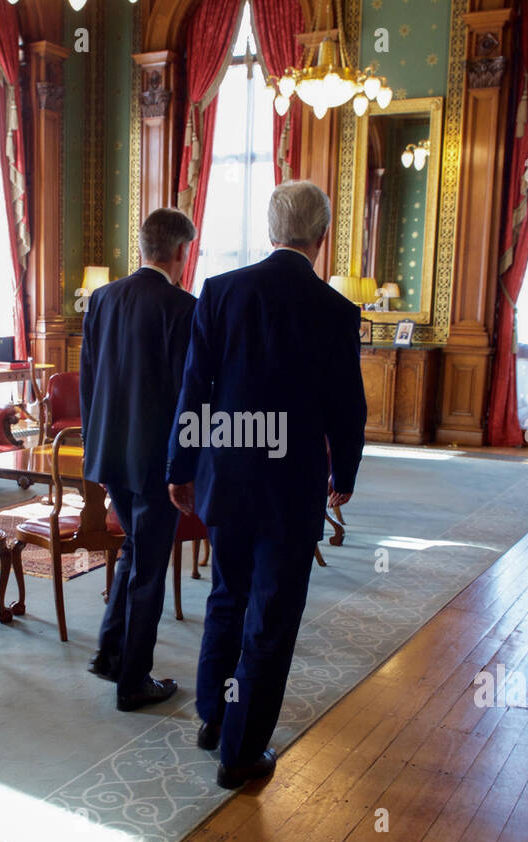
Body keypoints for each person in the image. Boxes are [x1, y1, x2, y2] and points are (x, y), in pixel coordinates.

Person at [166, 180, 367, 788]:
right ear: (322, 237)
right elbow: (346, 407)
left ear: (271, 229)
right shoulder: (335, 311)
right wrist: (345, 473)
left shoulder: (221, 291)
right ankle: (240, 751)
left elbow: (195, 386)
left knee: (227, 596)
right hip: (291, 486)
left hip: (226, 475)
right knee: (273, 612)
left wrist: (181, 466)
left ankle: (212, 717)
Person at [80, 208, 198, 711]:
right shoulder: (183, 308)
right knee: (149, 567)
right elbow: (187, 398)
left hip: (110, 456)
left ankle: (110, 655)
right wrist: (185, 467)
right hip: (156, 465)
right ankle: (134, 682)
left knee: (134, 552)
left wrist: (95, 449)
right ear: (178, 251)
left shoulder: (102, 299)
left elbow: (89, 382)